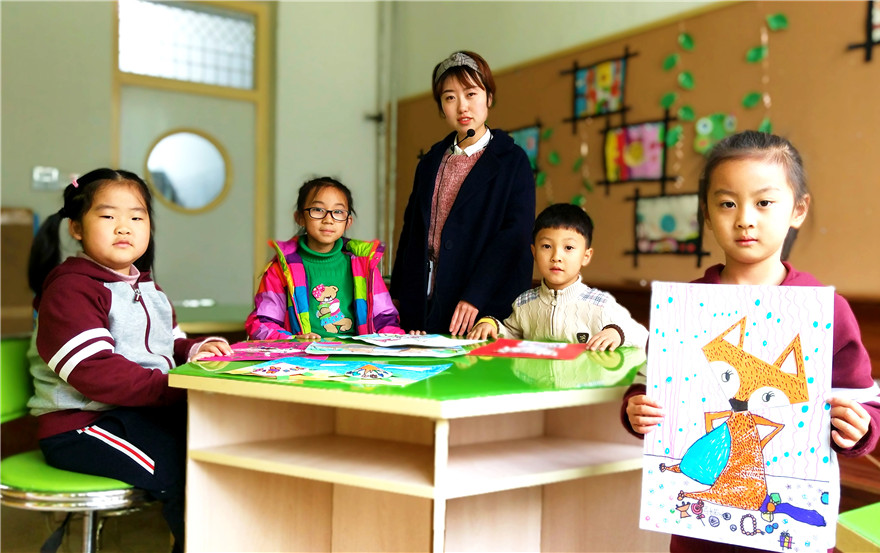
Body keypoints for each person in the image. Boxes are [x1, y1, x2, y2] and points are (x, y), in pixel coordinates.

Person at [622, 131, 880, 553]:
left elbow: (865, 401)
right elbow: (647, 386)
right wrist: (637, 408)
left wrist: (860, 426)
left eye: (764, 202)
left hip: (791, 538)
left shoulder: (826, 311)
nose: (745, 218)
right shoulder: (683, 310)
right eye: (727, 203)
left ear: (798, 210)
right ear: (707, 214)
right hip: (700, 536)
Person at [26, 168, 232, 553]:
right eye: (108, 216)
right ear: (76, 227)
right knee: (183, 467)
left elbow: (170, 342)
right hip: (82, 426)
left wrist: (194, 351)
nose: (124, 227)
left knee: (219, 443)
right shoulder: (70, 289)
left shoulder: (145, 286)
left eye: (137, 217)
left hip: (137, 412)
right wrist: (178, 387)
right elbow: (96, 371)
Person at [391, 50, 536, 335]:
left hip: (478, 306)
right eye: (450, 98)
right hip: (421, 303)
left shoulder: (512, 161)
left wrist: (476, 296)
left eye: (471, 94)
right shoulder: (430, 161)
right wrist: (396, 296)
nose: (462, 107)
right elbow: (410, 232)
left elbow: (514, 237)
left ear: (489, 98)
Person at [468, 203, 649, 351]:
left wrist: (616, 333)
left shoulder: (599, 304)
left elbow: (641, 334)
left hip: (583, 385)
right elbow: (511, 335)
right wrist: (491, 324)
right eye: (547, 246)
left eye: (568, 248)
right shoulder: (524, 303)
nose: (556, 257)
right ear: (534, 252)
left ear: (586, 256)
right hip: (536, 383)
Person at [246, 176, 405, 340]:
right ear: (300, 218)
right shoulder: (281, 268)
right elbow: (263, 323)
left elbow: (384, 319)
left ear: (348, 221)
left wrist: (409, 341)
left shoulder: (363, 265)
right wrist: (291, 340)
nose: (328, 219)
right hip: (302, 353)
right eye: (318, 210)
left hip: (356, 353)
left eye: (338, 212)